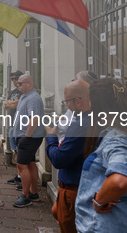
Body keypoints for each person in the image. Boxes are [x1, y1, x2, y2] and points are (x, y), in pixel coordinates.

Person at [75, 79, 127, 233]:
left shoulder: (115, 138)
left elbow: (119, 181)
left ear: (96, 106)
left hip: (105, 227)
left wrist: (98, 200)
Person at [45, 80, 90, 232]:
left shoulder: (81, 124)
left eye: (66, 102)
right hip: (76, 186)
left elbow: (59, 159)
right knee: (57, 212)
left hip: (73, 188)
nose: (67, 107)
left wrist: (51, 137)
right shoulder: (90, 119)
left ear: (78, 101)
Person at [12, 74, 45, 207]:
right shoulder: (25, 96)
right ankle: (33, 192)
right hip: (27, 136)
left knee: (22, 165)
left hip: (29, 137)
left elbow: (35, 118)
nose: (17, 85)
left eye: (20, 83)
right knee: (30, 163)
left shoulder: (33, 98)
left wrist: (26, 135)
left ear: (28, 84)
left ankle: (25, 196)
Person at [3, 70, 23, 184]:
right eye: (13, 79)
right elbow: (6, 104)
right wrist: (11, 103)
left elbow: (15, 104)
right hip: (12, 123)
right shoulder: (14, 91)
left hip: (19, 125)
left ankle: (21, 176)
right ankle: (19, 174)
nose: (14, 81)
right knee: (15, 149)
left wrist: (12, 103)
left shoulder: (23, 92)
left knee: (20, 151)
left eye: (16, 78)